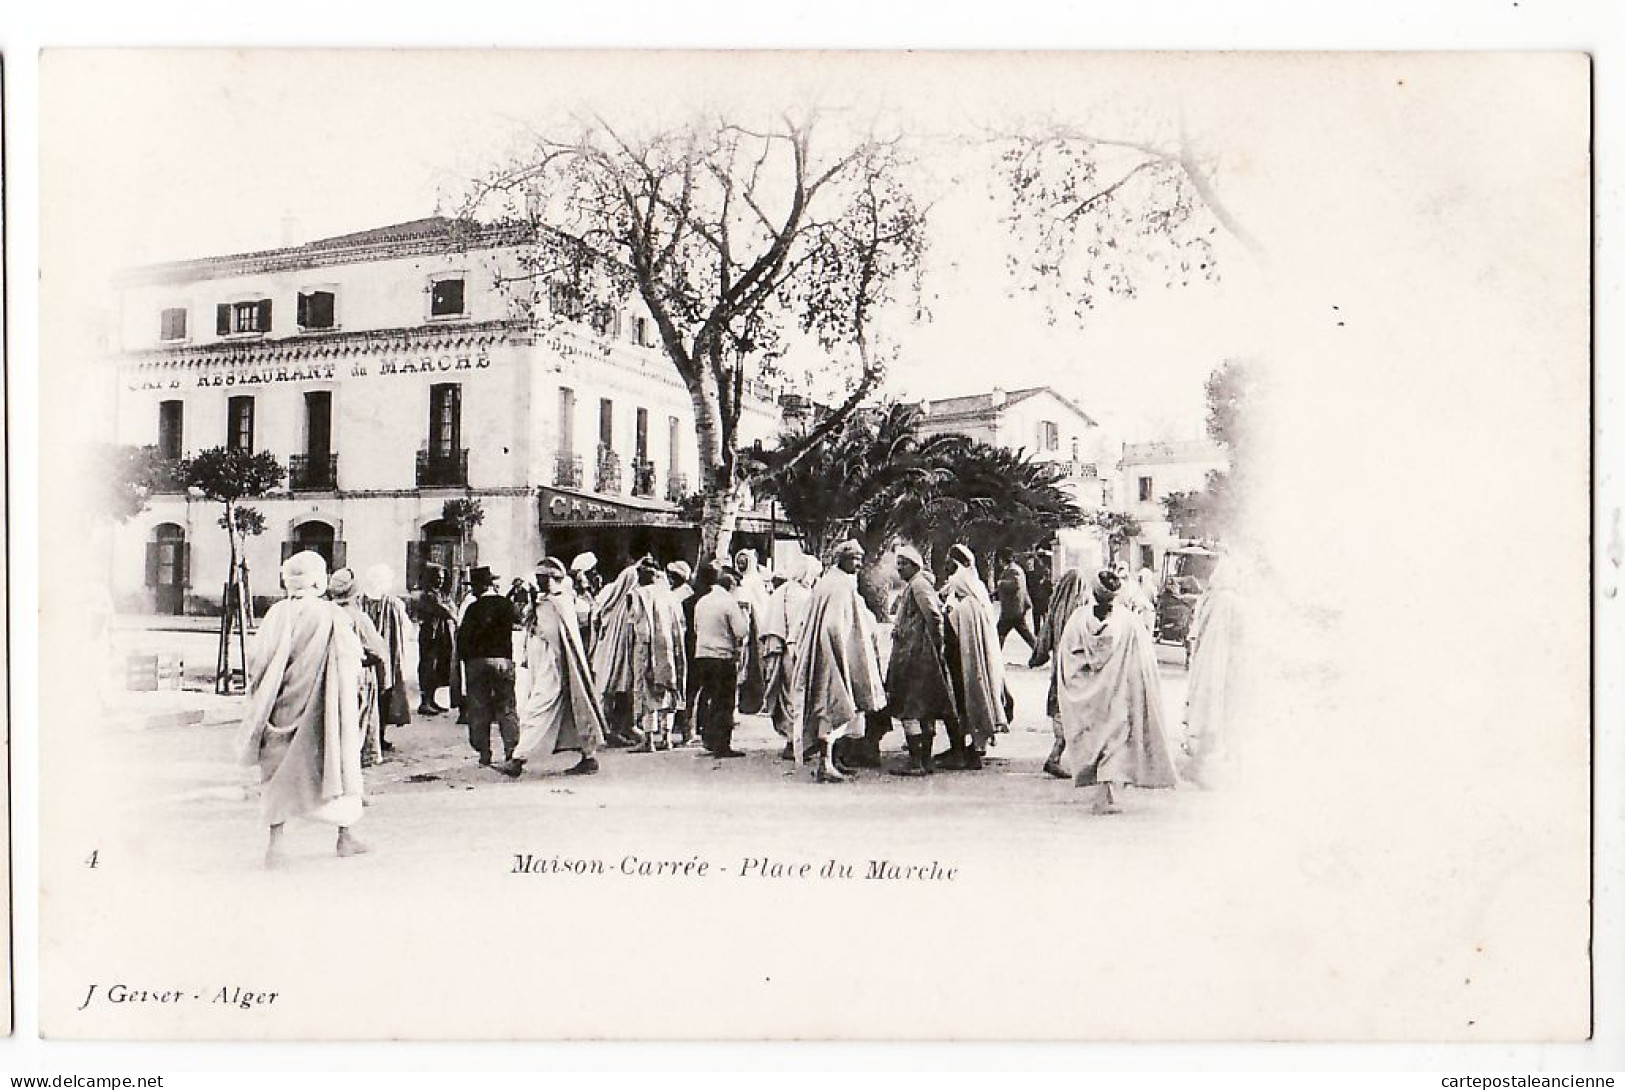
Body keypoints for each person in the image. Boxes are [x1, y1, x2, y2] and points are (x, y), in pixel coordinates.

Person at [240, 551, 367, 867]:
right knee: (333, 767)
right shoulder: (333, 615)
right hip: (324, 712)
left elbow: (257, 662)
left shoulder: (275, 614)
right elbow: (351, 662)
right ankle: (345, 836)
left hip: (281, 709)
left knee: (278, 776)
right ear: (318, 579)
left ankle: (276, 846)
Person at [1056, 569, 1179, 814]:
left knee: (1098, 741)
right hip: (1118, 692)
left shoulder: (1079, 619)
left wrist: (1081, 684)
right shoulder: (1128, 622)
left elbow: (1066, 656)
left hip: (1089, 695)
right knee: (1115, 742)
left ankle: (1105, 796)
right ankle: (1103, 798)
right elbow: (1143, 661)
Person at [500, 558, 605, 778]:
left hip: (555, 668)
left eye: (542, 578)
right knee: (571, 712)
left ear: (553, 579)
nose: (538, 582)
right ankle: (589, 757)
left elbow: (560, 639)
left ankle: (518, 759)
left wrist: (560, 669)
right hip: (546, 667)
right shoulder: (545, 602)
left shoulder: (559, 603)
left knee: (535, 711)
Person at [791, 540, 886, 783]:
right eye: (855, 558)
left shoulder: (830, 582)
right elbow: (834, 625)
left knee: (835, 707)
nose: (859, 563)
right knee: (833, 707)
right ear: (842, 559)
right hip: (833, 656)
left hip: (827, 653)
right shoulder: (840, 585)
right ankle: (825, 764)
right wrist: (843, 649)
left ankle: (833, 761)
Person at [884, 544, 957, 777]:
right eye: (898, 564)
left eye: (903, 564)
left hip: (916, 657)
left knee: (911, 708)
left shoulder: (918, 585)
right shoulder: (915, 586)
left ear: (915, 565)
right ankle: (924, 759)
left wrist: (935, 645)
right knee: (922, 709)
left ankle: (918, 761)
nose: (899, 569)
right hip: (915, 653)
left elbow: (934, 616)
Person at [940, 544, 1010, 770]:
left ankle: (967, 752)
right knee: (970, 701)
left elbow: (958, 636)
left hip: (964, 662)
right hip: (968, 660)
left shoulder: (967, 604)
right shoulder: (975, 594)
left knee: (965, 701)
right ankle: (970, 748)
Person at [1182, 558, 1240, 787]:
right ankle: (1200, 766)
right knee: (1219, 711)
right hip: (1221, 660)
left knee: (1211, 711)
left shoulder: (1210, 598)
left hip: (1207, 658)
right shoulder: (1226, 601)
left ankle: (1200, 763)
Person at [327, 568, 392, 768]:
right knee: (357, 723)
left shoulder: (324, 612)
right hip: (357, 675)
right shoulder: (359, 618)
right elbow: (378, 652)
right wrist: (383, 680)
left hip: (328, 675)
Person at [458, 565, 522, 767]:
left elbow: (463, 638)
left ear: (479, 586)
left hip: (477, 662)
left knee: (478, 708)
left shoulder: (472, 608)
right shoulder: (505, 604)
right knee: (507, 706)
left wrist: (466, 659)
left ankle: (484, 752)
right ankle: (511, 750)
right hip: (502, 660)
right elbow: (519, 621)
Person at [1031, 563, 1091, 778]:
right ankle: (1057, 757)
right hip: (1078, 669)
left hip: (1060, 668)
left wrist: (1037, 657)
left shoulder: (1055, 609)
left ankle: (1059, 756)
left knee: (1061, 708)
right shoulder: (1084, 611)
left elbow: (1044, 638)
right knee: (1080, 711)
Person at [628, 555, 687, 752]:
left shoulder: (638, 595)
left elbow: (636, 623)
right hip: (670, 647)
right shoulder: (669, 595)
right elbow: (681, 624)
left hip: (647, 646)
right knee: (668, 690)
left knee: (648, 691)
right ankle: (667, 737)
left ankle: (649, 739)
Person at [760, 556, 818, 757]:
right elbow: (797, 627)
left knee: (788, 695)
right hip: (793, 650)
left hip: (784, 649)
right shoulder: (799, 595)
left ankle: (793, 739)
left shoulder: (783, 591)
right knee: (796, 696)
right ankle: (796, 742)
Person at [691, 567, 750, 757]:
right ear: (731, 586)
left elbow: (695, 627)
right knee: (724, 701)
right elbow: (741, 631)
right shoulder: (728, 603)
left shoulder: (702, 602)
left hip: (703, 655)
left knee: (708, 697)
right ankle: (722, 745)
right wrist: (745, 616)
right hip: (722, 657)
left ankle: (708, 739)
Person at [360, 564, 413, 754]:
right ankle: (379, 737)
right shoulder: (394, 604)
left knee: (365, 697)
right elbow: (406, 629)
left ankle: (367, 736)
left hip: (365, 656)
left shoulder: (359, 602)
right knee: (383, 694)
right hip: (387, 657)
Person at [590, 560, 644, 747]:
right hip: (617, 656)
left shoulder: (616, 603)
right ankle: (612, 730)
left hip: (622, 655)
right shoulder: (617, 606)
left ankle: (625, 726)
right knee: (617, 689)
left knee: (625, 689)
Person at [412, 563, 456, 715]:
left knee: (438, 667)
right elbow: (443, 610)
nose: (440, 581)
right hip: (429, 634)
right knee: (428, 666)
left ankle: (431, 699)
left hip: (440, 634)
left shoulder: (440, 594)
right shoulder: (427, 595)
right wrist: (450, 611)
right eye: (437, 578)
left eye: (442, 578)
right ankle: (425, 701)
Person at [733, 549, 769, 715]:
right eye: (739, 562)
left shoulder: (754, 581)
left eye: (744, 562)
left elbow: (761, 605)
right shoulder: (735, 581)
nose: (741, 565)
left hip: (754, 626)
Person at [994, 552, 1038, 657]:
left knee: (999, 633)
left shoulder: (1013, 570)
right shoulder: (1013, 569)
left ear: (1003, 559)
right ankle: (1039, 651)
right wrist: (993, 593)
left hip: (1013, 609)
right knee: (1025, 633)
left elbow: (1015, 584)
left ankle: (995, 656)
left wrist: (1001, 583)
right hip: (1015, 608)